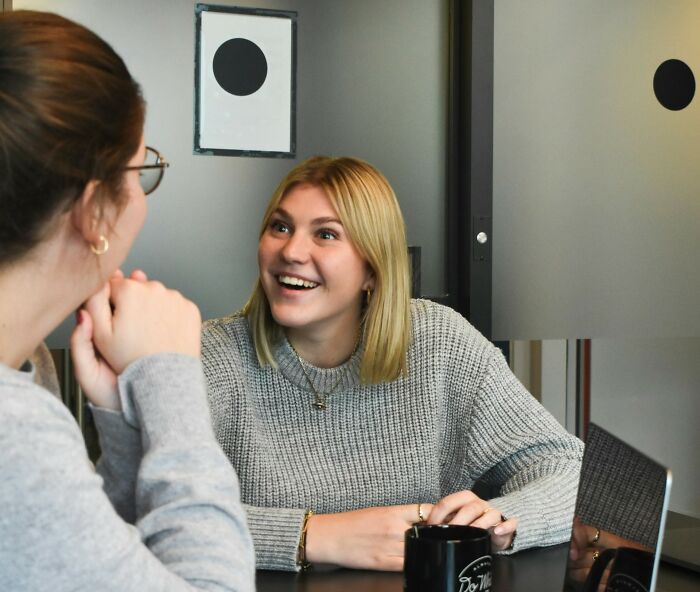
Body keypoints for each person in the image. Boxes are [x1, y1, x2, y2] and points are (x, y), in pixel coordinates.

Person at [202, 155, 584, 572]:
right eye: (280, 227)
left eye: (326, 234)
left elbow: (566, 467)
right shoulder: (211, 356)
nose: (291, 251)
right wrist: (315, 535)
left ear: (372, 269)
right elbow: (140, 515)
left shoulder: (437, 341)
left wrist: (505, 519)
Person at [0, 11, 253, 591]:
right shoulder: (13, 428)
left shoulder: (28, 364)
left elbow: (78, 565)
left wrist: (118, 423)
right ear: (94, 212)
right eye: (142, 170)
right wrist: (169, 380)